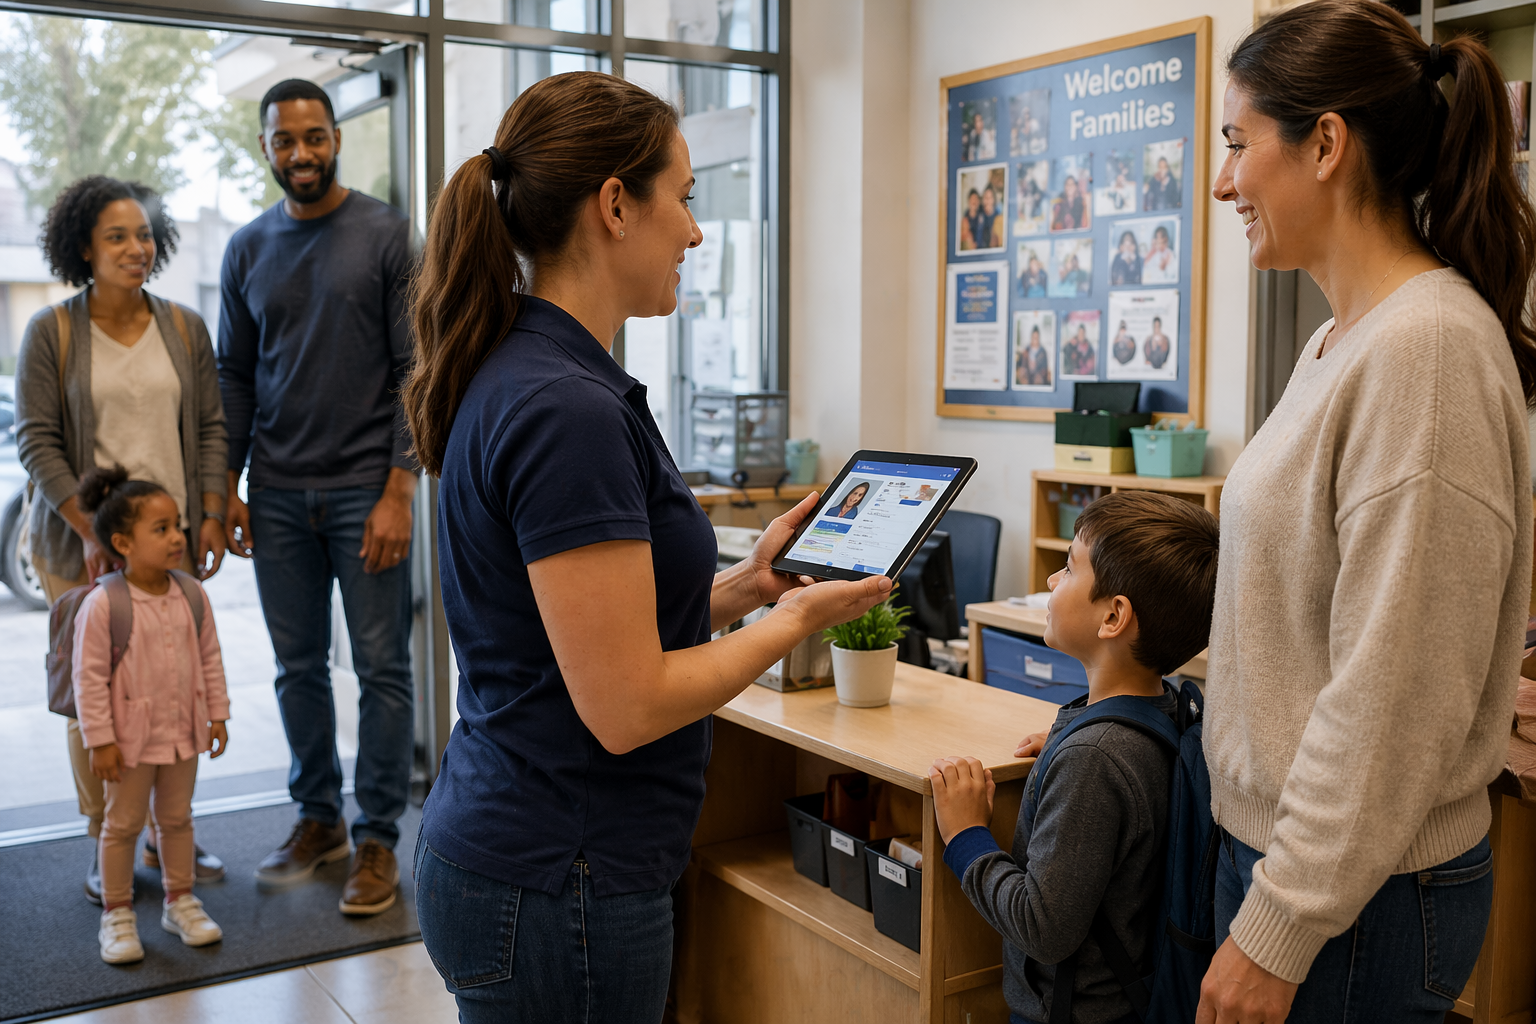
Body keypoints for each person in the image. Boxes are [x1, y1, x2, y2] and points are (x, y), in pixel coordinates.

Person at [403, 71, 891, 1022]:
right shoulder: (564, 409)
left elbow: (576, 631)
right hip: (559, 871)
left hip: (528, 848)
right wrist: (793, 619)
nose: (697, 233)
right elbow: (625, 705)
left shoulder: (537, 374)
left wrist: (744, 590)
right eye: (687, 199)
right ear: (616, 205)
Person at [1203, 3, 1535, 1020]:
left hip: (1357, 903)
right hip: (1309, 870)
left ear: (1327, 144)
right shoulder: (1339, 341)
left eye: (1238, 143)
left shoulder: (1425, 351)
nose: (1224, 182)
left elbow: (1397, 689)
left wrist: (1282, 924)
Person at [218, 78, 417, 915]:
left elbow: (417, 368)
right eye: (283, 140)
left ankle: (376, 836)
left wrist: (400, 489)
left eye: (313, 136)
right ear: (266, 148)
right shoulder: (246, 247)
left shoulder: (383, 233)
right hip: (277, 496)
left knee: (380, 668)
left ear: (336, 138)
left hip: (364, 493)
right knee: (297, 668)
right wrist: (222, 483)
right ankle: (318, 821)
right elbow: (234, 374)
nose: (300, 152)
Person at [14, 175, 229, 906]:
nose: (136, 249)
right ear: (85, 247)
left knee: (173, 681)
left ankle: (170, 827)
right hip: (80, 546)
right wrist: (91, 529)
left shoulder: (183, 326)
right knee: (96, 698)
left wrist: (204, 512)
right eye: (117, 237)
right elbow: (36, 439)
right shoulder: (53, 331)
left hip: (163, 542)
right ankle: (106, 833)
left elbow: (207, 427)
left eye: (143, 235)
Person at [930, 491, 1219, 1024]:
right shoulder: (1167, 710)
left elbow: (1044, 928)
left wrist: (965, 835)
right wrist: (1074, 738)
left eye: (1067, 568)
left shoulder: (1098, 758)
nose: (1049, 581)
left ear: (1113, 616)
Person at [73, 465, 231, 965]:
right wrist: (99, 740)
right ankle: (117, 913)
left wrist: (218, 715)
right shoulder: (104, 603)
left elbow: (211, 658)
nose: (176, 537)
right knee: (120, 826)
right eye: (160, 529)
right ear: (122, 542)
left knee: (177, 819)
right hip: (128, 742)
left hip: (183, 735)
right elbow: (88, 680)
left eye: (177, 525)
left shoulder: (191, 593)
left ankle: (179, 900)